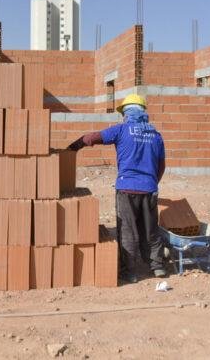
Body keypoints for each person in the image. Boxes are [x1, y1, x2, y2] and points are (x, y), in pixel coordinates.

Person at [67, 93, 166, 282]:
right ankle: (157, 266)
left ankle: (130, 271)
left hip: (126, 188)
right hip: (150, 188)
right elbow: (161, 165)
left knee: (127, 230)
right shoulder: (156, 135)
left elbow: (93, 138)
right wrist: (152, 183)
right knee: (150, 228)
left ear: (127, 113)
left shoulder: (121, 130)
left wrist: (74, 146)